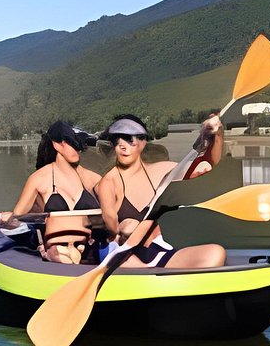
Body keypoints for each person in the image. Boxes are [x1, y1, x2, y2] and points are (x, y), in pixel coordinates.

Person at [97, 113, 226, 269]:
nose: (123, 146)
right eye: (118, 140)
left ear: (142, 143)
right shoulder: (108, 182)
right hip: (124, 257)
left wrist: (216, 135)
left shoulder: (162, 171)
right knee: (128, 226)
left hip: (156, 252)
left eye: (130, 139)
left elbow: (207, 165)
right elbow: (111, 228)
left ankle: (162, 278)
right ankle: (157, 279)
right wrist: (124, 228)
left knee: (215, 253)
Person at [1, 120, 102, 217]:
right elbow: (17, 216)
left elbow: (113, 210)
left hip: (89, 233)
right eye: (73, 145)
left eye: (81, 145)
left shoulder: (94, 179)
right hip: (54, 233)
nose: (78, 150)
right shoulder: (38, 179)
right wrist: (8, 217)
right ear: (57, 144)